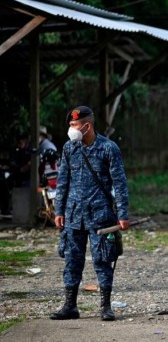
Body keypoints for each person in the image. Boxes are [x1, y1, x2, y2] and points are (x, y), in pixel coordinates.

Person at [50, 105, 130, 321]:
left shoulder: (108, 148)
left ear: (87, 126)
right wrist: (59, 210)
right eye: (70, 125)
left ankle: (105, 306)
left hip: (100, 215)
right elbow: (63, 180)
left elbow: (119, 183)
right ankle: (70, 306)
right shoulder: (69, 148)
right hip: (73, 214)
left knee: (103, 260)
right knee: (71, 259)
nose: (71, 129)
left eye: (74, 125)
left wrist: (122, 214)